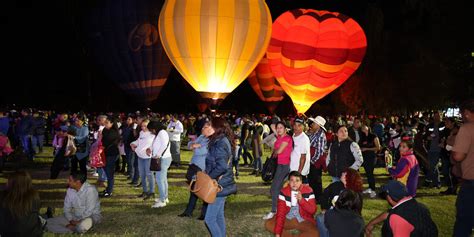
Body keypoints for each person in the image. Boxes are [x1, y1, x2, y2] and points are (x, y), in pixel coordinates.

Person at [365, 180, 438, 237]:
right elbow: (391, 212)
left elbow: (396, 215)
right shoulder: (419, 206)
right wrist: (372, 223)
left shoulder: (397, 218)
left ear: (389, 198)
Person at [204, 117, 237, 237]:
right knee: (218, 216)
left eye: (208, 125)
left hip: (219, 185)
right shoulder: (218, 140)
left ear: (216, 128)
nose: (205, 128)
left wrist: (208, 177)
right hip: (222, 183)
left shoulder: (220, 142)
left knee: (210, 219)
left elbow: (222, 166)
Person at [264, 171, 318, 237]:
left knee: (315, 233)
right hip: (288, 219)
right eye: (292, 180)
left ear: (301, 182)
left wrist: (301, 200)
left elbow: (313, 210)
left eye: (297, 180)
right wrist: (278, 233)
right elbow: (281, 213)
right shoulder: (284, 192)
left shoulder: (308, 190)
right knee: (269, 224)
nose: (294, 183)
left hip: (303, 220)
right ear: (289, 182)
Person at [317, 168, 363, 237]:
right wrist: (324, 208)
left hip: (348, 216)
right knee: (320, 218)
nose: (342, 173)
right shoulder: (335, 185)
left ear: (350, 177)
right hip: (333, 212)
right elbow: (324, 196)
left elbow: (357, 210)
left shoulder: (355, 192)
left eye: (345, 173)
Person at [179, 122, 210, 219]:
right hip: (194, 165)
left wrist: (196, 146)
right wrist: (194, 145)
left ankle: (204, 213)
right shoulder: (202, 137)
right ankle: (189, 211)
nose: (202, 129)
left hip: (202, 167)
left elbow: (202, 151)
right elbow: (189, 144)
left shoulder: (211, 140)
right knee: (194, 188)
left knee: (203, 189)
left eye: (205, 127)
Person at [452, 99, 474, 236]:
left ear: (466, 113)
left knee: (464, 222)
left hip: (471, 183)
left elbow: (458, 156)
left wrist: (454, 149)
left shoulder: (467, 129)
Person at [263, 121, 293, 220]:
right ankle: (283, 209)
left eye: (281, 128)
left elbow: (279, 151)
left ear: (285, 129)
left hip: (284, 166)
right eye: (278, 128)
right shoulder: (279, 137)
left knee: (274, 189)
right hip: (279, 165)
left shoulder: (287, 138)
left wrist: (276, 150)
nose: (279, 129)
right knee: (278, 189)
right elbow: (272, 126)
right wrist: (277, 130)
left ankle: (274, 211)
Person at [0, 171, 43, 237]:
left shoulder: (3, 197)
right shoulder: (34, 197)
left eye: (8, 181)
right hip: (32, 234)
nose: (6, 183)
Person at [148, 121, 172, 208]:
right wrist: (150, 149)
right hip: (163, 158)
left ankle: (162, 200)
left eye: (151, 130)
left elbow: (164, 145)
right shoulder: (160, 133)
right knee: (163, 179)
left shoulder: (162, 133)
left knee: (159, 179)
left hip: (163, 159)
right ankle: (164, 197)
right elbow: (156, 144)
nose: (151, 131)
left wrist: (158, 155)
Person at [131, 119, 155, 200]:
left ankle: (151, 192)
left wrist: (150, 149)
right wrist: (133, 144)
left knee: (149, 174)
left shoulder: (153, 134)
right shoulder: (141, 133)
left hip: (148, 157)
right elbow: (138, 141)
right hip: (140, 156)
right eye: (142, 126)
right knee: (142, 174)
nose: (143, 128)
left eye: (145, 126)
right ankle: (145, 191)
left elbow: (155, 144)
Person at [306, 116, 327, 201]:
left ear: (318, 125)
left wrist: (311, 161)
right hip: (312, 161)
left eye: (314, 123)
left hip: (315, 162)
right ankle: (314, 197)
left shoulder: (320, 135)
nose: (312, 125)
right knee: (312, 180)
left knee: (316, 181)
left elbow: (319, 151)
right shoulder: (314, 133)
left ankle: (318, 198)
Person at [100, 117, 121, 197]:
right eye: (105, 122)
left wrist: (101, 136)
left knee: (109, 173)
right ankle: (108, 189)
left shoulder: (113, 132)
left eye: (107, 122)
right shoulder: (105, 130)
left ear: (112, 124)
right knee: (106, 169)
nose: (105, 124)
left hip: (112, 154)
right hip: (106, 153)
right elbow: (102, 141)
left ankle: (109, 191)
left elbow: (106, 140)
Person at [359, 125, 381, 198]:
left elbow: (378, 147)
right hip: (364, 157)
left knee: (370, 172)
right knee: (368, 173)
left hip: (371, 157)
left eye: (364, 127)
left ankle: (373, 189)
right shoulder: (362, 137)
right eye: (362, 128)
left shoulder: (373, 136)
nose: (363, 129)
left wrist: (367, 149)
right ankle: (370, 188)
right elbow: (360, 146)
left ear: (368, 128)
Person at [424, 111, 444, 188]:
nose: (436, 117)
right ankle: (434, 182)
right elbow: (426, 135)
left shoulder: (443, 125)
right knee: (432, 166)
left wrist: (442, 140)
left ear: (440, 116)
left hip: (438, 148)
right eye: (435, 116)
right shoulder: (430, 125)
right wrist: (427, 137)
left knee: (433, 165)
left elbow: (445, 133)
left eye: (438, 116)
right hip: (430, 148)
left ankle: (431, 181)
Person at [290, 117, 311, 183]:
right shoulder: (293, 135)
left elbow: (303, 157)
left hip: (300, 173)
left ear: (303, 127)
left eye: (299, 125)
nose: (296, 127)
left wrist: (299, 173)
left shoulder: (304, 139)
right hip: (292, 170)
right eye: (295, 125)